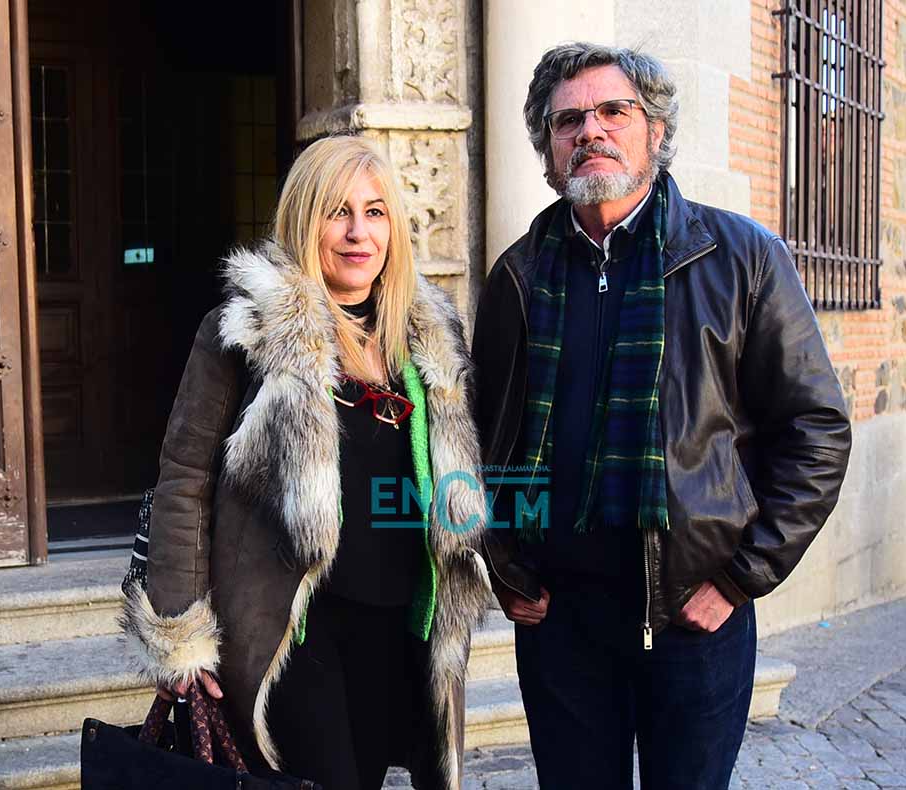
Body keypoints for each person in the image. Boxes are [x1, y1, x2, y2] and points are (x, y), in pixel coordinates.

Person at [472, 43, 852, 789]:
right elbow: (481, 436)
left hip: (692, 614)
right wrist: (501, 561)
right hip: (560, 622)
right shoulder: (517, 275)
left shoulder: (739, 257)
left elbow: (815, 429)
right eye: (568, 120)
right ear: (548, 152)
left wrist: (744, 577)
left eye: (613, 111)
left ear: (654, 130)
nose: (590, 131)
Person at [120, 134, 492, 790]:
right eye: (336, 211)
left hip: (400, 620)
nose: (357, 232)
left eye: (375, 212)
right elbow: (182, 481)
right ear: (302, 218)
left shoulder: (428, 333)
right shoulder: (245, 331)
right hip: (290, 624)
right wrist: (179, 629)